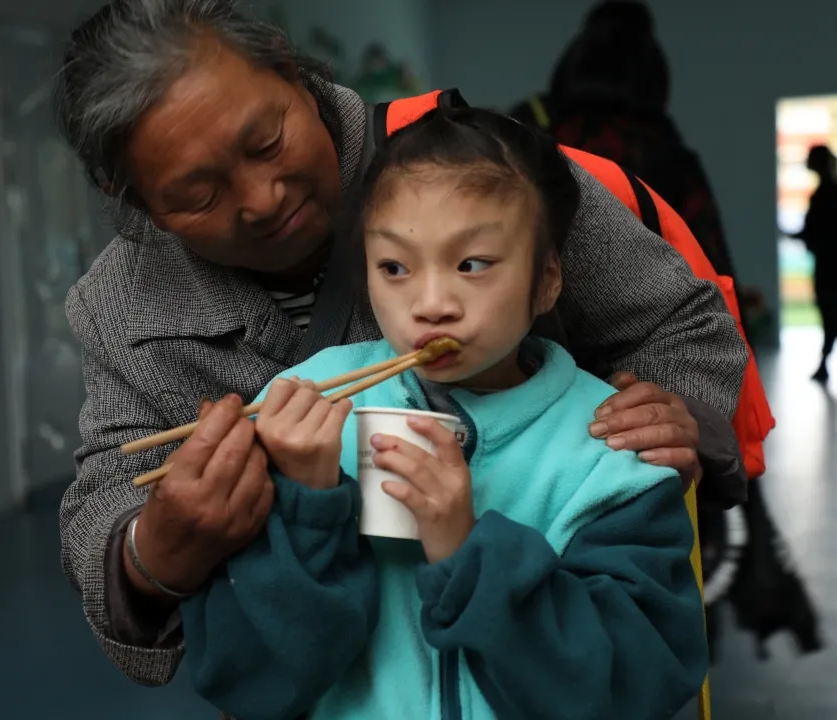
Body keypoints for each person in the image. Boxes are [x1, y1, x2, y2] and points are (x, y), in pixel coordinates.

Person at [54, 0, 748, 686]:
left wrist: (670, 410)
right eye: (198, 195)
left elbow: (681, 326)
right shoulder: (119, 305)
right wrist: (153, 555)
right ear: (139, 202)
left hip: (542, 654)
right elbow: (109, 493)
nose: (262, 199)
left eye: (266, 143)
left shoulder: (476, 166)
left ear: (289, 69)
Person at [183, 106, 708, 720]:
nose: (431, 305)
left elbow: (633, 689)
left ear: (546, 281)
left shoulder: (612, 446)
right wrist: (304, 503)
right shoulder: (301, 409)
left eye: (472, 264)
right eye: (395, 268)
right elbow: (244, 683)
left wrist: (468, 552)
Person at [508, 0, 739, 285]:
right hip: (645, 309)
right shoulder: (665, 150)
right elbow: (711, 260)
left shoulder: (535, 133)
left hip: (543, 304)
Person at [787, 144, 837, 381]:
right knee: (831, 313)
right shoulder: (833, 191)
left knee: (831, 314)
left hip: (829, 265)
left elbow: (818, 232)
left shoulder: (826, 194)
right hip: (835, 264)